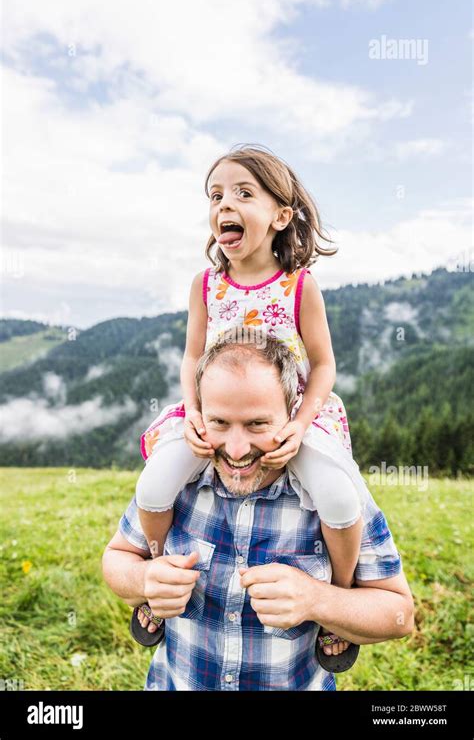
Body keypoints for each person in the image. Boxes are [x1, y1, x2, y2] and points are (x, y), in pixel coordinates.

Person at [133, 143, 370, 667]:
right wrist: (193, 415)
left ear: (281, 215)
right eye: (215, 195)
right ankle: (157, 575)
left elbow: (325, 365)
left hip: (287, 418)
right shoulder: (206, 285)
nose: (224, 205)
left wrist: (300, 423)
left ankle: (341, 595)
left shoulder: (299, 286)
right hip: (215, 415)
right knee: (154, 483)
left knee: (335, 493)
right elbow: (192, 355)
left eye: (244, 193)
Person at [102, 336, 414, 690]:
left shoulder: (335, 497)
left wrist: (317, 600)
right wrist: (145, 580)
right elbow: (117, 559)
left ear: (292, 417)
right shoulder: (177, 482)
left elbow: (398, 616)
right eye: (219, 422)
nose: (236, 450)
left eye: (257, 425)